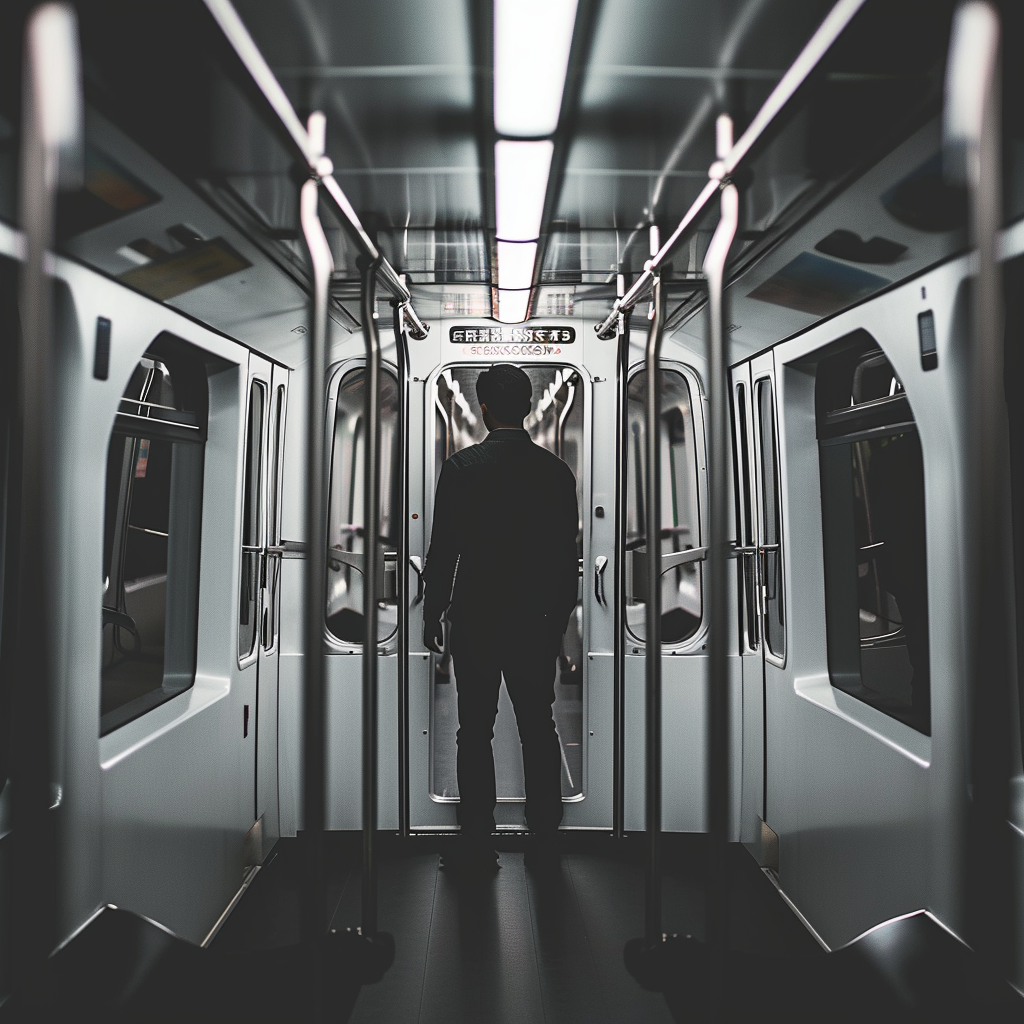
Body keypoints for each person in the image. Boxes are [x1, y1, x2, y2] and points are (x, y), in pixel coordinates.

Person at [422, 364, 580, 875]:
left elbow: (444, 549)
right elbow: (564, 555)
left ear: (484, 408)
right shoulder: (556, 473)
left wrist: (433, 611)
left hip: (478, 618)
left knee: (474, 731)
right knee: (538, 725)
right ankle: (544, 839)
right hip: (536, 619)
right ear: (530, 407)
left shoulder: (464, 468)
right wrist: (559, 620)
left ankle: (476, 842)